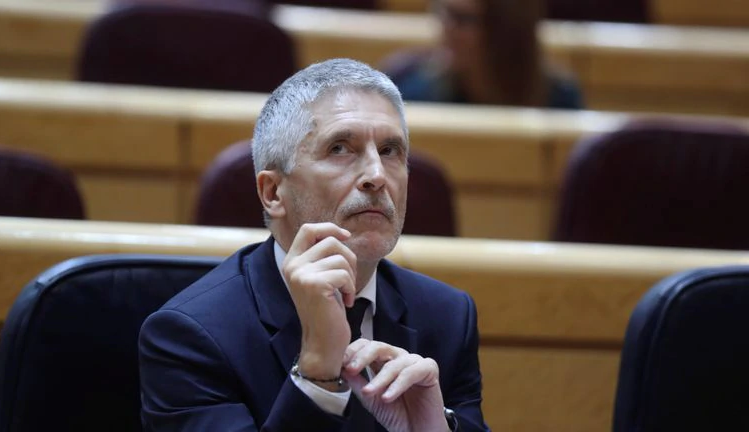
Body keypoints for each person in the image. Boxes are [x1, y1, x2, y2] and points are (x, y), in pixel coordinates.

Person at [138, 58, 489, 431]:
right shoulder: (190, 337)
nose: (376, 175)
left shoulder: (448, 316)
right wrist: (317, 372)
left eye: (390, 151)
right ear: (273, 192)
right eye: (340, 148)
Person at [383, 0, 583, 109]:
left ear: (507, 28)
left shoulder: (560, 97)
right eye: (444, 13)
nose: (447, 29)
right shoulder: (408, 88)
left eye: (463, 19)